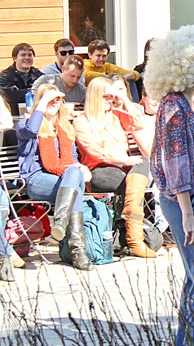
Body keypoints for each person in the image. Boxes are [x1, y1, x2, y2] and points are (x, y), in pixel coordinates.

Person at [144, 25, 194, 345]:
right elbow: (174, 164)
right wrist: (189, 213)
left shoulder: (185, 102)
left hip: (186, 199)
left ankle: (188, 341)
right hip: (182, 201)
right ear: (181, 63)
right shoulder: (175, 107)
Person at [73, 77, 157, 258]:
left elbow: (138, 123)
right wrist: (123, 159)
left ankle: (132, 233)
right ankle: (134, 238)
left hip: (123, 167)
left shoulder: (117, 115)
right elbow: (94, 151)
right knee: (128, 181)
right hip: (98, 170)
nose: (110, 100)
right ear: (95, 96)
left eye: (112, 97)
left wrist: (124, 98)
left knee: (143, 163)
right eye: (106, 96)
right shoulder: (81, 121)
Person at [17, 84, 92, 270]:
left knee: (74, 175)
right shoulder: (25, 123)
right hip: (35, 179)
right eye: (49, 99)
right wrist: (41, 104)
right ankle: (78, 253)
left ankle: (60, 224)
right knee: (75, 188)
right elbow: (31, 131)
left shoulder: (65, 127)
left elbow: (72, 161)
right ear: (40, 101)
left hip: (64, 179)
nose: (53, 103)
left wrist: (82, 167)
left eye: (57, 99)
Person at [0, 43, 44, 114]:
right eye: (23, 55)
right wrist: (36, 92)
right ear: (14, 58)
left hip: (36, 115)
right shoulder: (4, 76)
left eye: (30, 55)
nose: (27, 58)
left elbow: (47, 90)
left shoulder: (38, 75)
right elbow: (12, 97)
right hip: (13, 116)